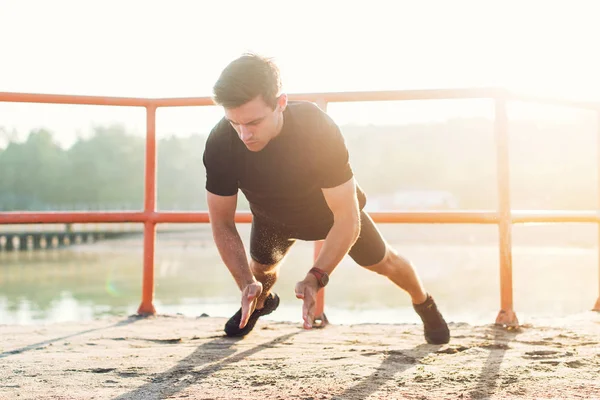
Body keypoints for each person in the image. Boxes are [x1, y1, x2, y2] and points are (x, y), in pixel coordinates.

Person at [203, 53, 450, 344]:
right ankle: (258, 301)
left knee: (387, 263)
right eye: (235, 123)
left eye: (254, 122)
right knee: (261, 272)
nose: (244, 134)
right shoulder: (221, 142)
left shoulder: (316, 128)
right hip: (271, 217)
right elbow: (221, 223)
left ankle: (424, 303)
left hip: (333, 216)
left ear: (280, 103)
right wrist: (245, 283)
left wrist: (316, 276)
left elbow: (346, 217)